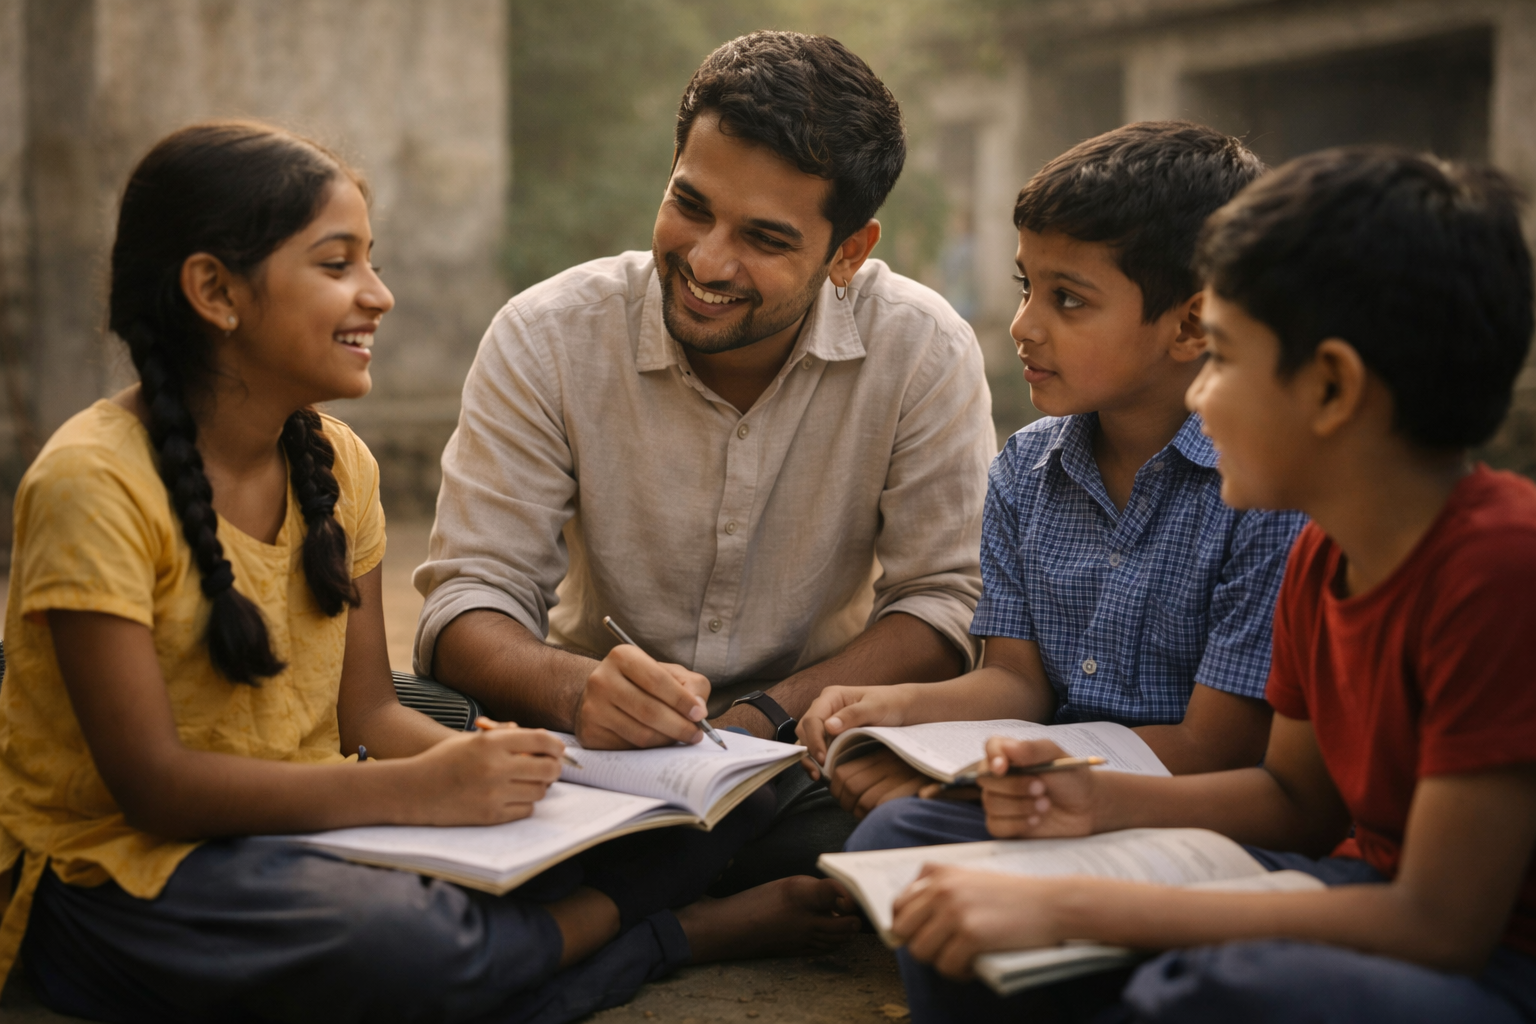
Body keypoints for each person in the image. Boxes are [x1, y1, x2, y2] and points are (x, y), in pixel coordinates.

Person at [0, 121, 856, 1024]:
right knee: (411, 952)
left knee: (690, 813)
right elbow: (154, 788)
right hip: (123, 871)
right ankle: (666, 934)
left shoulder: (336, 465)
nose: (380, 295)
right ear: (215, 290)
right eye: (338, 266)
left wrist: (499, 767)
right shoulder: (91, 483)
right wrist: (417, 789)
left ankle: (579, 918)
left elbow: (367, 713)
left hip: (312, 831)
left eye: (372, 261)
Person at [884, 148, 1536, 1023]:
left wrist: (1071, 903)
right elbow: (1300, 804)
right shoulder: (1325, 556)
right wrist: (1091, 796)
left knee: (1219, 989)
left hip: (1488, 963)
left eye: (1223, 359)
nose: (1200, 400)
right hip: (1339, 883)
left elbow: (1441, 924)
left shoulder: (1499, 570)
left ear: (1332, 386)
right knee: (954, 896)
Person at [415, 31, 994, 885]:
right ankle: (700, 900)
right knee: (393, 714)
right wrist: (579, 692)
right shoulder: (546, 336)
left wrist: (769, 716)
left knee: (922, 806)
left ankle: (625, 893)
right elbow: (469, 600)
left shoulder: (922, 349)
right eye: (691, 205)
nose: (707, 260)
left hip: (805, 757)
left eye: (764, 237)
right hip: (580, 741)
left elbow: (945, 604)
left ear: (849, 253)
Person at [801, 122, 1309, 827]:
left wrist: (979, 781)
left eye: (1067, 299)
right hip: (1044, 779)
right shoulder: (1026, 470)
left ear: (1191, 327)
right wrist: (894, 708)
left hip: (1179, 808)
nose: (1023, 325)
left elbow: (1215, 746)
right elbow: (1017, 682)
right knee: (863, 804)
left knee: (901, 831)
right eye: (1026, 287)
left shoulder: (1261, 494)